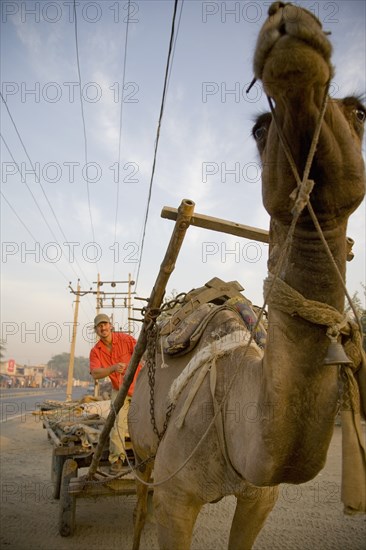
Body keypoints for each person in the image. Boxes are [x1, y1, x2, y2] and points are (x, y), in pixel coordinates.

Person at [89, 313, 140, 473]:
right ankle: (117, 459)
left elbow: (143, 352)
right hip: (120, 390)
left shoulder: (126, 339)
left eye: (105, 324)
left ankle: (154, 458)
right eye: (99, 326)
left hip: (140, 386)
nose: (103, 327)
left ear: (111, 325)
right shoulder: (96, 351)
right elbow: (96, 373)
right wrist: (112, 368)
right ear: (96, 330)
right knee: (117, 423)